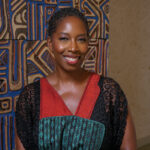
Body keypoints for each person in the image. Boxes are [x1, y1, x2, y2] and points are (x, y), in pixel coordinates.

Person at [15, 7, 136, 150]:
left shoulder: (109, 93)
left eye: (81, 39)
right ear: (50, 43)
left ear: (88, 44)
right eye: (64, 38)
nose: (73, 47)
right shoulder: (30, 98)